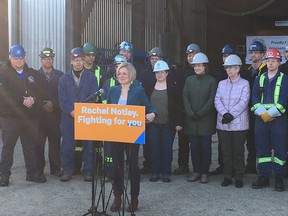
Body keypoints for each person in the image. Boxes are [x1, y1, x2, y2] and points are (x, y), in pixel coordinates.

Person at [107, 62, 156, 213]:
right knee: (117, 166)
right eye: (119, 73)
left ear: (131, 75)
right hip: (115, 133)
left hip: (133, 134)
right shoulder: (112, 90)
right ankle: (117, 197)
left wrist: (152, 114)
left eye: (124, 73)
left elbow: (150, 107)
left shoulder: (138, 91)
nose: (121, 76)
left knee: (133, 166)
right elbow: (108, 108)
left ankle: (134, 198)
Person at [0, 44, 47, 186]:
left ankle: (32, 173)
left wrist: (34, 99)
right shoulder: (3, 73)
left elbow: (42, 92)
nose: (19, 61)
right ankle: (4, 176)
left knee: (30, 146)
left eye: (21, 58)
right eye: (16, 58)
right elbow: (3, 94)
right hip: (10, 118)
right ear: (10, 57)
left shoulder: (32, 74)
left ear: (24, 57)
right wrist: (21, 100)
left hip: (30, 118)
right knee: (8, 147)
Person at [58, 47, 98, 182]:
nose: (78, 63)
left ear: (84, 60)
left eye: (80, 59)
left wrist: (82, 110)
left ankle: (88, 171)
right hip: (68, 117)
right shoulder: (63, 79)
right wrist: (71, 111)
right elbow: (62, 99)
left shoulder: (91, 77)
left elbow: (94, 96)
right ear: (71, 61)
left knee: (88, 144)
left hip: (86, 117)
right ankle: (67, 170)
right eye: (75, 60)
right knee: (68, 145)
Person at [251, 48, 288, 192]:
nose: (270, 63)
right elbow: (254, 98)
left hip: (278, 120)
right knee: (262, 148)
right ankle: (264, 176)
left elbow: (284, 100)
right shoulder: (259, 78)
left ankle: (279, 176)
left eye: (273, 61)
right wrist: (262, 113)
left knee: (280, 148)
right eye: (268, 61)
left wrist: (270, 114)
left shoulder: (284, 79)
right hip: (261, 120)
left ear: (279, 62)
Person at [214, 54, 250, 188]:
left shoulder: (244, 83)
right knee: (226, 151)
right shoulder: (221, 83)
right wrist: (225, 114)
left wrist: (231, 115)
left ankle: (239, 176)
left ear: (238, 69)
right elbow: (217, 100)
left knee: (238, 151)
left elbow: (244, 101)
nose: (229, 70)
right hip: (223, 123)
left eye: (232, 67)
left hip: (239, 124)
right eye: (227, 67)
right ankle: (227, 176)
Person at [145, 60, 181, 182]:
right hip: (153, 124)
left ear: (167, 73)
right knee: (154, 149)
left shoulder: (173, 86)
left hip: (168, 124)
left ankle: (166, 172)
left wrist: (178, 122)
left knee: (167, 149)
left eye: (162, 72)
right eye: (157, 72)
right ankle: (155, 172)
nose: (159, 74)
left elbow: (178, 106)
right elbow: (145, 103)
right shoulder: (150, 86)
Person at [182, 52, 217, 184]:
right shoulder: (189, 80)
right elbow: (185, 97)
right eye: (195, 65)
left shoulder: (211, 81)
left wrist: (200, 113)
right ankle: (196, 171)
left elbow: (211, 100)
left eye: (199, 65)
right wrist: (190, 112)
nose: (197, 68)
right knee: (194, 148)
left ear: (205, 66)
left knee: (205, 147)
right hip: (191, 121)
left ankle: (205, 172)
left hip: (205, 121)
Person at [36, 47, 63, 177]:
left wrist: (54, 103)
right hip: (40, 116)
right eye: (45, 58)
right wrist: (42, 104)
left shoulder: (60, 75)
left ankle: (56, 168)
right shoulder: (34, 76)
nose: (48, 60)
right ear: (41, 60)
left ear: (53, 59)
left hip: (54, 114)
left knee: (55, 143)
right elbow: (32, 93)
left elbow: (64, 94)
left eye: (50, 58)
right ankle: (39, 169)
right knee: (39, 143)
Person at [173, 43, 200, 175]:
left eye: (193, 55)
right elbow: (178, 93)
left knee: (198, 143)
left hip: (198, 112)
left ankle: (199, 167)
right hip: (184, 111)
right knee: (183, 141)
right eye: (189, 55)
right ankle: (183, 165)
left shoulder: (203, 70)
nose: (190, 58)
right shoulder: (181, 72)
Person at [138, 47, 163, 175]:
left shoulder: (166, 73)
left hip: (162, 112)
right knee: (147, 142)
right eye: (152, 59)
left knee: (161, 142)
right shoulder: (144, 74)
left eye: (157, 59)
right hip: (146, 112)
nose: (154, 61)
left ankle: (161, 166)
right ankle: (148, 165)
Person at [245, 40, 267, 174]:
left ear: (262, 54)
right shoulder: (247, 70)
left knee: (261, 137)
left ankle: (264, 166)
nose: (253, 55)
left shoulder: (266, 69)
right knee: (250, 137)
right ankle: (251, 162)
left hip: (261, 110)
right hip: (247, 109)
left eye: (256, 52)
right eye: (252, 52)